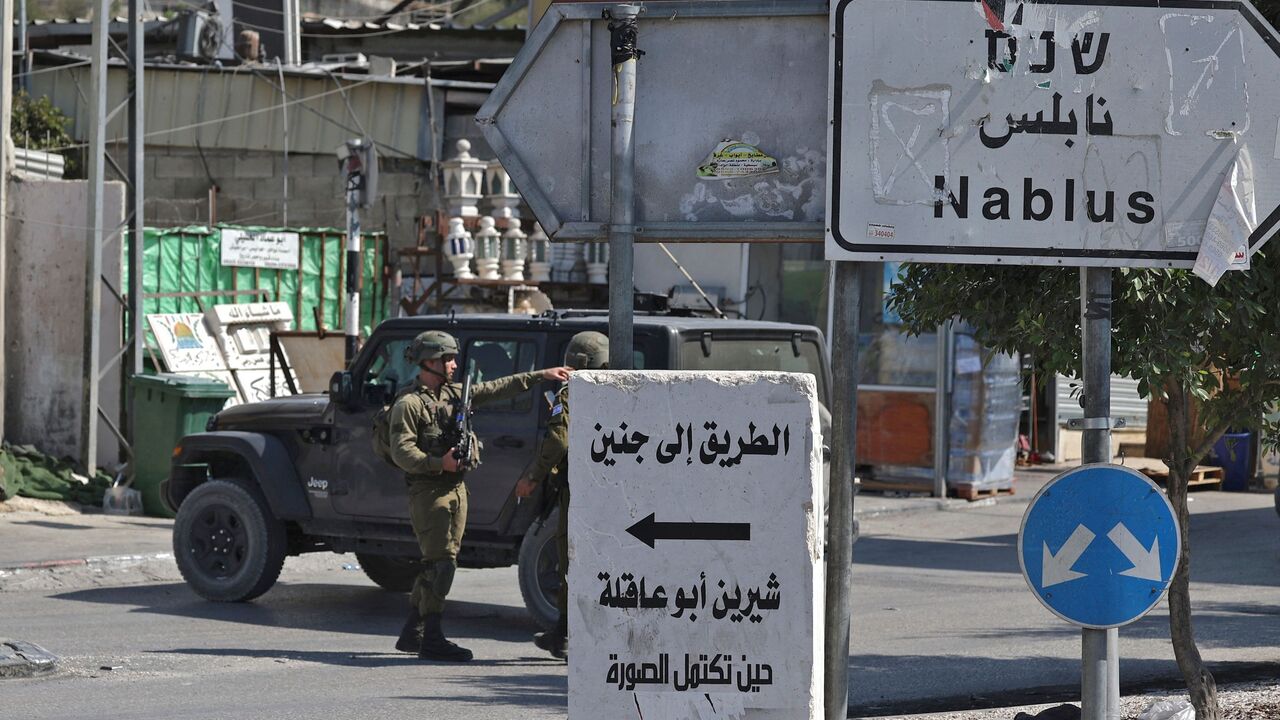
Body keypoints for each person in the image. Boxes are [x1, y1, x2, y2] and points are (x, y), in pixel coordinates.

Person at [391, 330, 572, 662]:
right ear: (429, 361)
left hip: (456, 488)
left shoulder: (454, 394)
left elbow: (495, 388)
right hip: (429, 491)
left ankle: (413, 631)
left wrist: (541, 375)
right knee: (441, 563)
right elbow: (401, 451)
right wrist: (437, 463)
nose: (453, 364)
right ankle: (430, 637)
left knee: (440, 562)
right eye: (447, 359)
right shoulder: (409, 404)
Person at [515, 330, 609, 660]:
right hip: (611, 490)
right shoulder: (618, 389)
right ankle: (566, 632)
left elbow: (558, 440)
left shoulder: (573, 391)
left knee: (572, 560)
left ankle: (569, 635)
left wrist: (532, 477)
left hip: (580, 488)